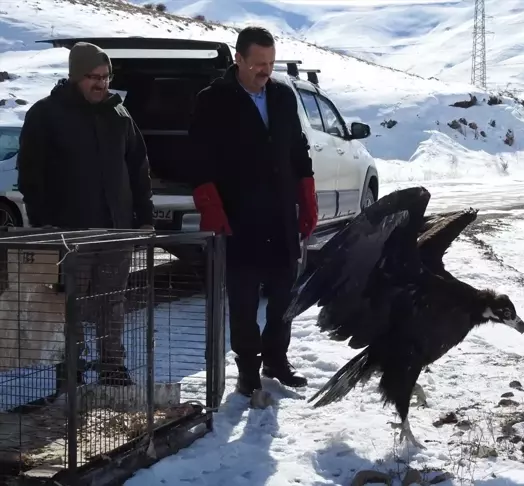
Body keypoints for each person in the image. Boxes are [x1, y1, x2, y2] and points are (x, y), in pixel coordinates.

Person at [188, 26, 318, 397]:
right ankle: (248, 369)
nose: (266, 71)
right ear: (239, 59)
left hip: (279, 215)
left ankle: (277, 358)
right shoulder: (213, 100)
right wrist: (211, 206)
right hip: (239, 217)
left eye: (271, 63)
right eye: (259, 64)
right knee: (243, 301)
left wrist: (305, 197)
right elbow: (198, 159)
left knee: (283, 295)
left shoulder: (281, 96)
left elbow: (297, 149)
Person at [16, 41, 154, 386]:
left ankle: (112, 365)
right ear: (75, 76)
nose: (101, 84)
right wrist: (44, 223)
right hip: (69, 230)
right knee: (71, 302)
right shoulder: (46, 114)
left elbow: (138, 167)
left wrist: (143, 215)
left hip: (115, 228)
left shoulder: (119, 114)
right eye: (93, 77)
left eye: (105, 77)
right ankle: (71, 367)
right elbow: (31, 174)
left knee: (112, 301)